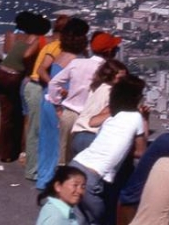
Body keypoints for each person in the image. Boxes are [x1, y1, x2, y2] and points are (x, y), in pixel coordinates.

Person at [69, 74, 148, 225]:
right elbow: (140, 151)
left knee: (80, 222)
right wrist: (145, 119)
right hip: (92, 177)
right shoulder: (136, 117)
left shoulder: (113, 117)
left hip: (76, 165)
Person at [49, 31, 122, 165]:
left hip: (69, 114)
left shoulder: (77, 63)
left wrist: (57, 107)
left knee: (63, 159)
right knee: (84, 161)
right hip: (91, 120)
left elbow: (54, 83)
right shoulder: (108, 71)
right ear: (110, 51)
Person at [37, 17, 89, 190]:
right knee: (61, 147)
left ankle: (44, 178)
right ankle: (54, 183)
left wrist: (53, 84)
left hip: (47, 101)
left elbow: (41, 70)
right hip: (61, 106)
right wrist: (61, 90)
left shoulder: (60, 53)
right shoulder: (77, 60)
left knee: (47, 143)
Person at [0, 11, 50, 163]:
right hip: (14, 76)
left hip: (1, 72)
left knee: (7, 114)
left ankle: (5, 152)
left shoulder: (19, 36)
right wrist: (27, 68)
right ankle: (21, 151)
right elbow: (26, 56)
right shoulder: (38, 39)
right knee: (19, 115)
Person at [23, 14, 69, 181]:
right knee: (36, 130)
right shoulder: (57, 46)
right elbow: (44, 70)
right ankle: (32, 170)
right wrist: (54, 84)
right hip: (37, 88)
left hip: (33, 86)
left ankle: (36, 168)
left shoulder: (49, 42)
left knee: (36, 129)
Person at [69, 59, 129, 158]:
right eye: (121, 78)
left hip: (78, 136)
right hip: (93, 136)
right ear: (111, 76)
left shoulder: (96, 89)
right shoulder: (111, 92)